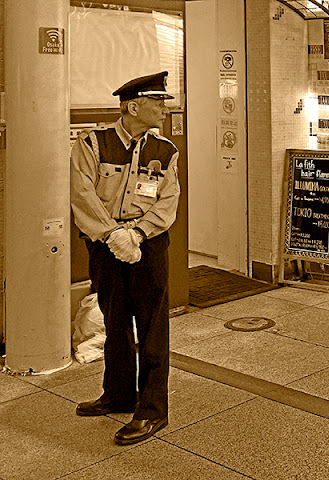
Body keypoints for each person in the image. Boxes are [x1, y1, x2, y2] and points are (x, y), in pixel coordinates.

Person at [70, 71, 180, 446]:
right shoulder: (93, 143)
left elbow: (168, 200)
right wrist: (113, 233)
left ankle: (152, 410)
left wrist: (137, 232)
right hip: (105, 244)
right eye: (158, 101)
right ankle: (118, 394)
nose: (165, 108)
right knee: (114, 321)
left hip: (148, 245)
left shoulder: (164, 150)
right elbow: (82, 193)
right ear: (133, 106)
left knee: (152, 327)